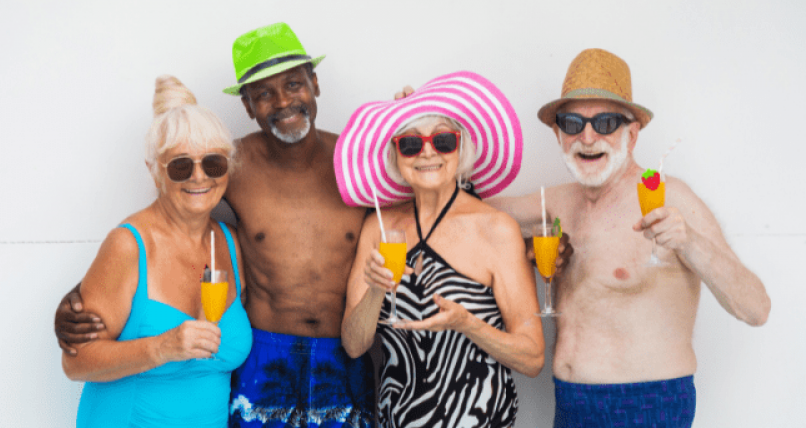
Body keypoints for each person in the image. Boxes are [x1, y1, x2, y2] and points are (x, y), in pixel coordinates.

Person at [56, 23, 374, 428]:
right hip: (264, 357)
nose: (282, 101)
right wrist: (78, 301)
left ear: (314, 82)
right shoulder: (235, 164)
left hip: (342, 357)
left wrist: (415, 114)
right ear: (246, 106)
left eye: (294, 84)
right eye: (263, 94)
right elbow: (163, 226)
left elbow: (423, 183)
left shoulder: (357, 161)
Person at [484, 48, 772, 428]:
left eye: (605, 122)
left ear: (632, 133)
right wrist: (416, 125)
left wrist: (689, 243)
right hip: (570, 403)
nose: (587, 137)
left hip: (647, 404)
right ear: (558, 134)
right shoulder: (555, 202)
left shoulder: (670, 196)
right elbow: (465, 213)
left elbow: (755, 309)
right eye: (572, 123)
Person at [338, 72, 544, 428]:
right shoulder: (380, 227)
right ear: (396, 155)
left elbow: (532, 357)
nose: (428, 152)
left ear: (461, 147)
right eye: (411, 144)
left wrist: (466, 323)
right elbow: (355, 345)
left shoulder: (496, 229)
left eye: (443, 140)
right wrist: (375, 290)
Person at [61, 76, 252, 427]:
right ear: (155, 172)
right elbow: (75, 362)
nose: (199, 177)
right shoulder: (128, 245)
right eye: (181, 165)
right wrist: (162, 347)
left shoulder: (229, 243)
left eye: (213, 163)